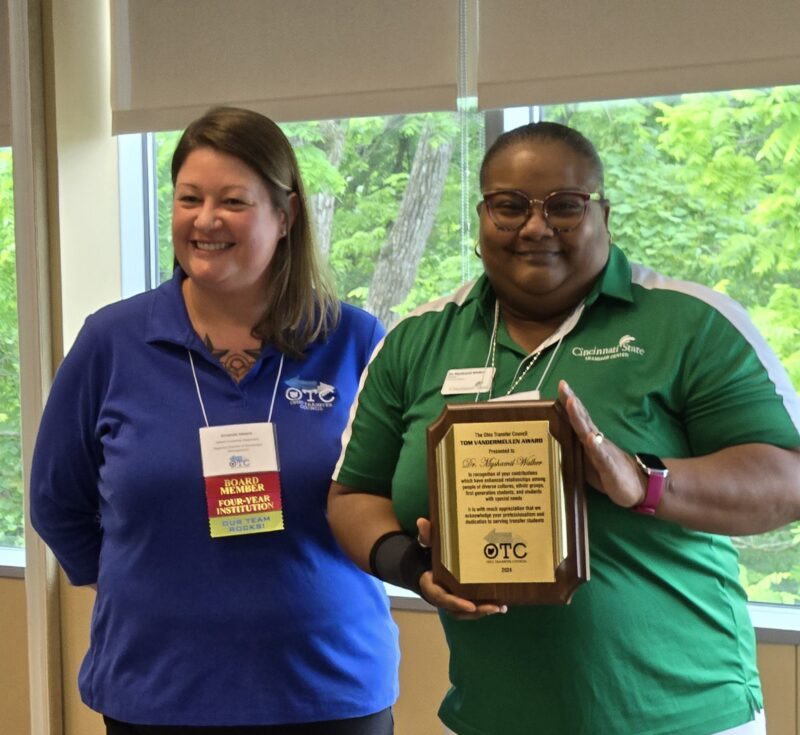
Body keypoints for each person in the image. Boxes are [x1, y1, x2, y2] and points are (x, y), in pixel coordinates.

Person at [328, 121, 800, 735]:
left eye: (565, 206)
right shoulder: (415, 341)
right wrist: (412, 566)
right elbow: (353, 495)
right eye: (509, 206)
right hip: (492, 718)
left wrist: (642, 480)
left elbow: (786, 481)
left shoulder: (690, 324)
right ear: (480, 216)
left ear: (603, 212)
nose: (534, 226)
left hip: (685, 715)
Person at [31, 106, 398, 734]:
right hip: (158, 689)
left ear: (285, 217)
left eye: (233, 201)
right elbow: (56, 500)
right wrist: (136, 586)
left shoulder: (354, 339)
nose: (206, 220)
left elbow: (394, 492)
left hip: (327, 687)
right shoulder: (112, 341)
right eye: (188, 198)